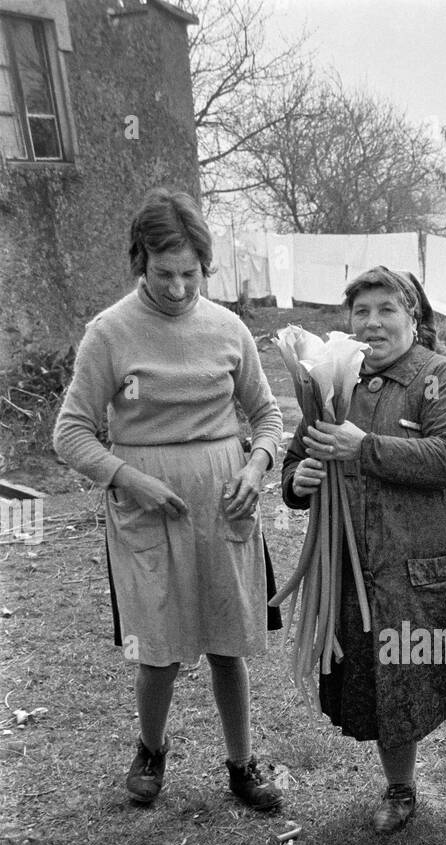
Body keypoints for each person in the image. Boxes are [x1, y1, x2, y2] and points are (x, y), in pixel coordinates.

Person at [53, 188, 284, 811]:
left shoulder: (229, 328)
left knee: (227, 641)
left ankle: (241, 763)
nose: (179, 289)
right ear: (139, 262)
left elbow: (266, 416)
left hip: (224, 501)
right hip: (147, 507)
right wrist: (129, 477)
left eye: (191, 274)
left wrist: (257, 466)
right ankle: (151, 749)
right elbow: (69, 432)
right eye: (164, 274)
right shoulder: (110, 333)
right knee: (156, 647)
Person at [281, 266, 446, 837]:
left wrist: (364, 446)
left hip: (441, 567)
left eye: (386, 310)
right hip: (366, 571)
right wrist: (297, 482)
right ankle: (400, 790)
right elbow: (300, 459)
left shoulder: (439, 378)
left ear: (412, 318)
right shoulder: (329, 385)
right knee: (387, 679)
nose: (372, 323)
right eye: (361, 311)